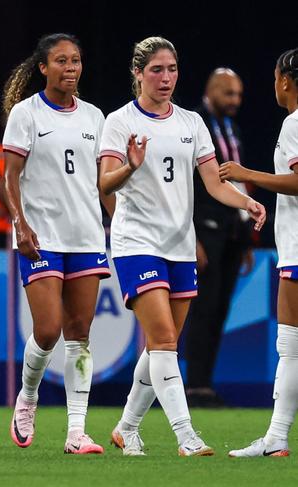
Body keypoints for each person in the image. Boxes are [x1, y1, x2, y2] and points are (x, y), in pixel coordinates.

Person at [98, 36, 266, 457]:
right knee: (166, 341)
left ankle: (126, 428)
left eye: (172, 69)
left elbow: (213, 182)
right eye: (156, 69)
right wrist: (129, 167)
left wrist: (246, 200)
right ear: (138, 73)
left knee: (163, 343)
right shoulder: (119, 122)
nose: (166, 77)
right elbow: (103, 183)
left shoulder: (191, 122)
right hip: (136, 242)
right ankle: (186, 435)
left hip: (179, 245)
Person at [3, 33, 115, 455]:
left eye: (76, 61)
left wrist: (118, 220)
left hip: (86, 235)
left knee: (80, 334)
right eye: (62, 61)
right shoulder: (25, 114)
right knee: (47, 330)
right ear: (43, 68)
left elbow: (103, 181)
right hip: (42, 235)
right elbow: (10, 175)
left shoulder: (95, 118)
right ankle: (28, 395)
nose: (71, 68)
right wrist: (20, 223)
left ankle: (76, 432)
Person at [223, 48, 298, 458]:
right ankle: (275, 439)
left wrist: (245, 174)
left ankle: (277, 439)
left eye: (274, 77)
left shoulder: (294, 123)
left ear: (285, 81)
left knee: (290, 346)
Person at [184, 68, 254, 407]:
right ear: (211, 91)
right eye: (229, 94)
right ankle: (194, 385)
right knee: (203, 308)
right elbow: (189, 185)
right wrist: (191, 235)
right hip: (205, 229)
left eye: (238, 95)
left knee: (219, 310)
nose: (235, 101)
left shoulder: (232, 129)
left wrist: (246, 239)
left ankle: (204, 384)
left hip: (232, 231)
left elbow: (237, 182)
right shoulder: (195, 125)